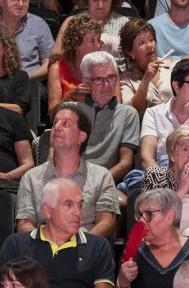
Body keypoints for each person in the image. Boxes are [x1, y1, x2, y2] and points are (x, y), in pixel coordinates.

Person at [16, 102, 118, 239]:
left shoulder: (102, 176)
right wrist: (48, 245)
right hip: (45, 251)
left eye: (65, 124)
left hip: (86, 250)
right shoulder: (30, 177)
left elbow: (106, 222)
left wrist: (81, 245)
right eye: (55, 123)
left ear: (81, 136)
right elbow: (24, 224)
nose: (57, 127)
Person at [139, 59, 189, 167]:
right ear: (176, 86)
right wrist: (165, 182)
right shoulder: (153, 114)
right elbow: (147, 159)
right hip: (162, 177)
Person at [77, 51, 138, 183]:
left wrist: (96, 184)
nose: (107, 85)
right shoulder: (71, 111)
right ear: (86, 82)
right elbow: (54, 154)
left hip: (106, 182)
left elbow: (125, 163)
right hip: (69, 181)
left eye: (111, 77)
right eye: (99, 79)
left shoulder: (128, 114)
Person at [45, 15, 102, 119]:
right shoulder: (57, 69)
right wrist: (71, 97)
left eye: (99, 39)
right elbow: (52, 113)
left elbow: (117, 105)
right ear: (76, 44)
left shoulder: (106, 68)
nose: (98, 45)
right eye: (92, 40)